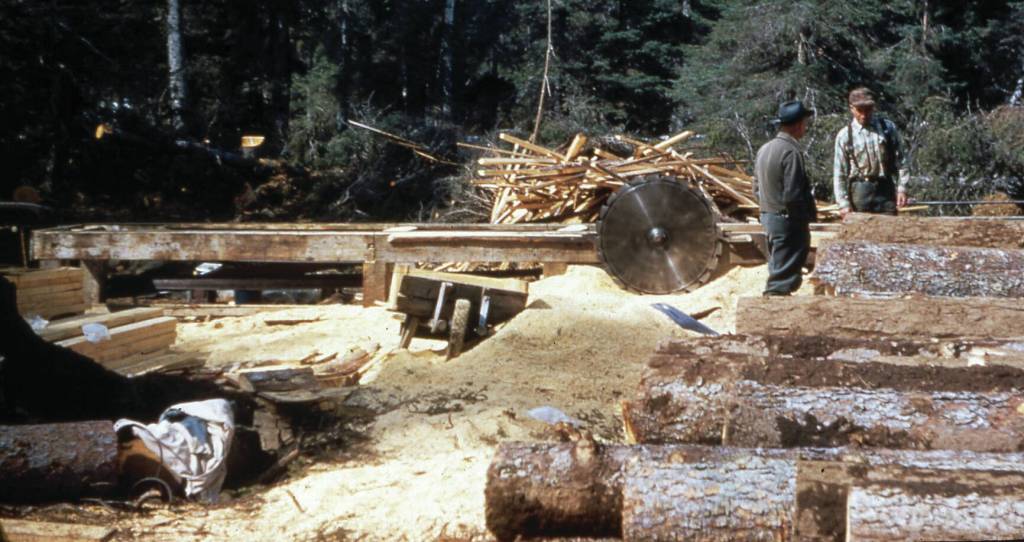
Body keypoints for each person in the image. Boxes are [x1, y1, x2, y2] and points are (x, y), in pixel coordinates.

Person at [753, 100, 817, 296]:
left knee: (779, 267)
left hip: (770, 217)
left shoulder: (764, 149)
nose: (805, 128)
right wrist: (801, 221)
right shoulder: (791, 152)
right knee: (782, 280)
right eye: (804, 123)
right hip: (787, 221)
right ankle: (773, 315)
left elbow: (756, 188)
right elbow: (793, 194)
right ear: (798, 124)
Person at [833, 87, 910, 216]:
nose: (864, 115)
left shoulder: (888, 128)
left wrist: (902, 189)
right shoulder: (845, 135)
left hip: (885, 190)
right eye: (859, 110)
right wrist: (843, 204)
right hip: (860, 192)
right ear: (852, 108)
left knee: (890, 231)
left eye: (868, 110)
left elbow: (901, 160)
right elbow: (839, 172)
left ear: (874, 108)